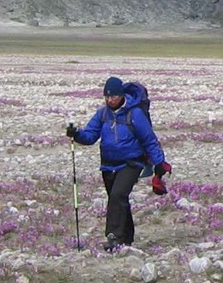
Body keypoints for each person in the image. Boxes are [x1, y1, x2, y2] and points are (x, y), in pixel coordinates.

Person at [66, 76, 172, 252]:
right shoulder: (102, 113)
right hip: (108, 165)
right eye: (106, 97)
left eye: (113, 96)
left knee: (117, 196)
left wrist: (159, 163)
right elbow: (90, 136)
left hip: (131, 162)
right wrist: (76, 134)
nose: (110, 100)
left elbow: (149, 140)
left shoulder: (135, 113)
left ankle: (114, 237)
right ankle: (127, 238)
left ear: (121, 95)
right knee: (118, 199)